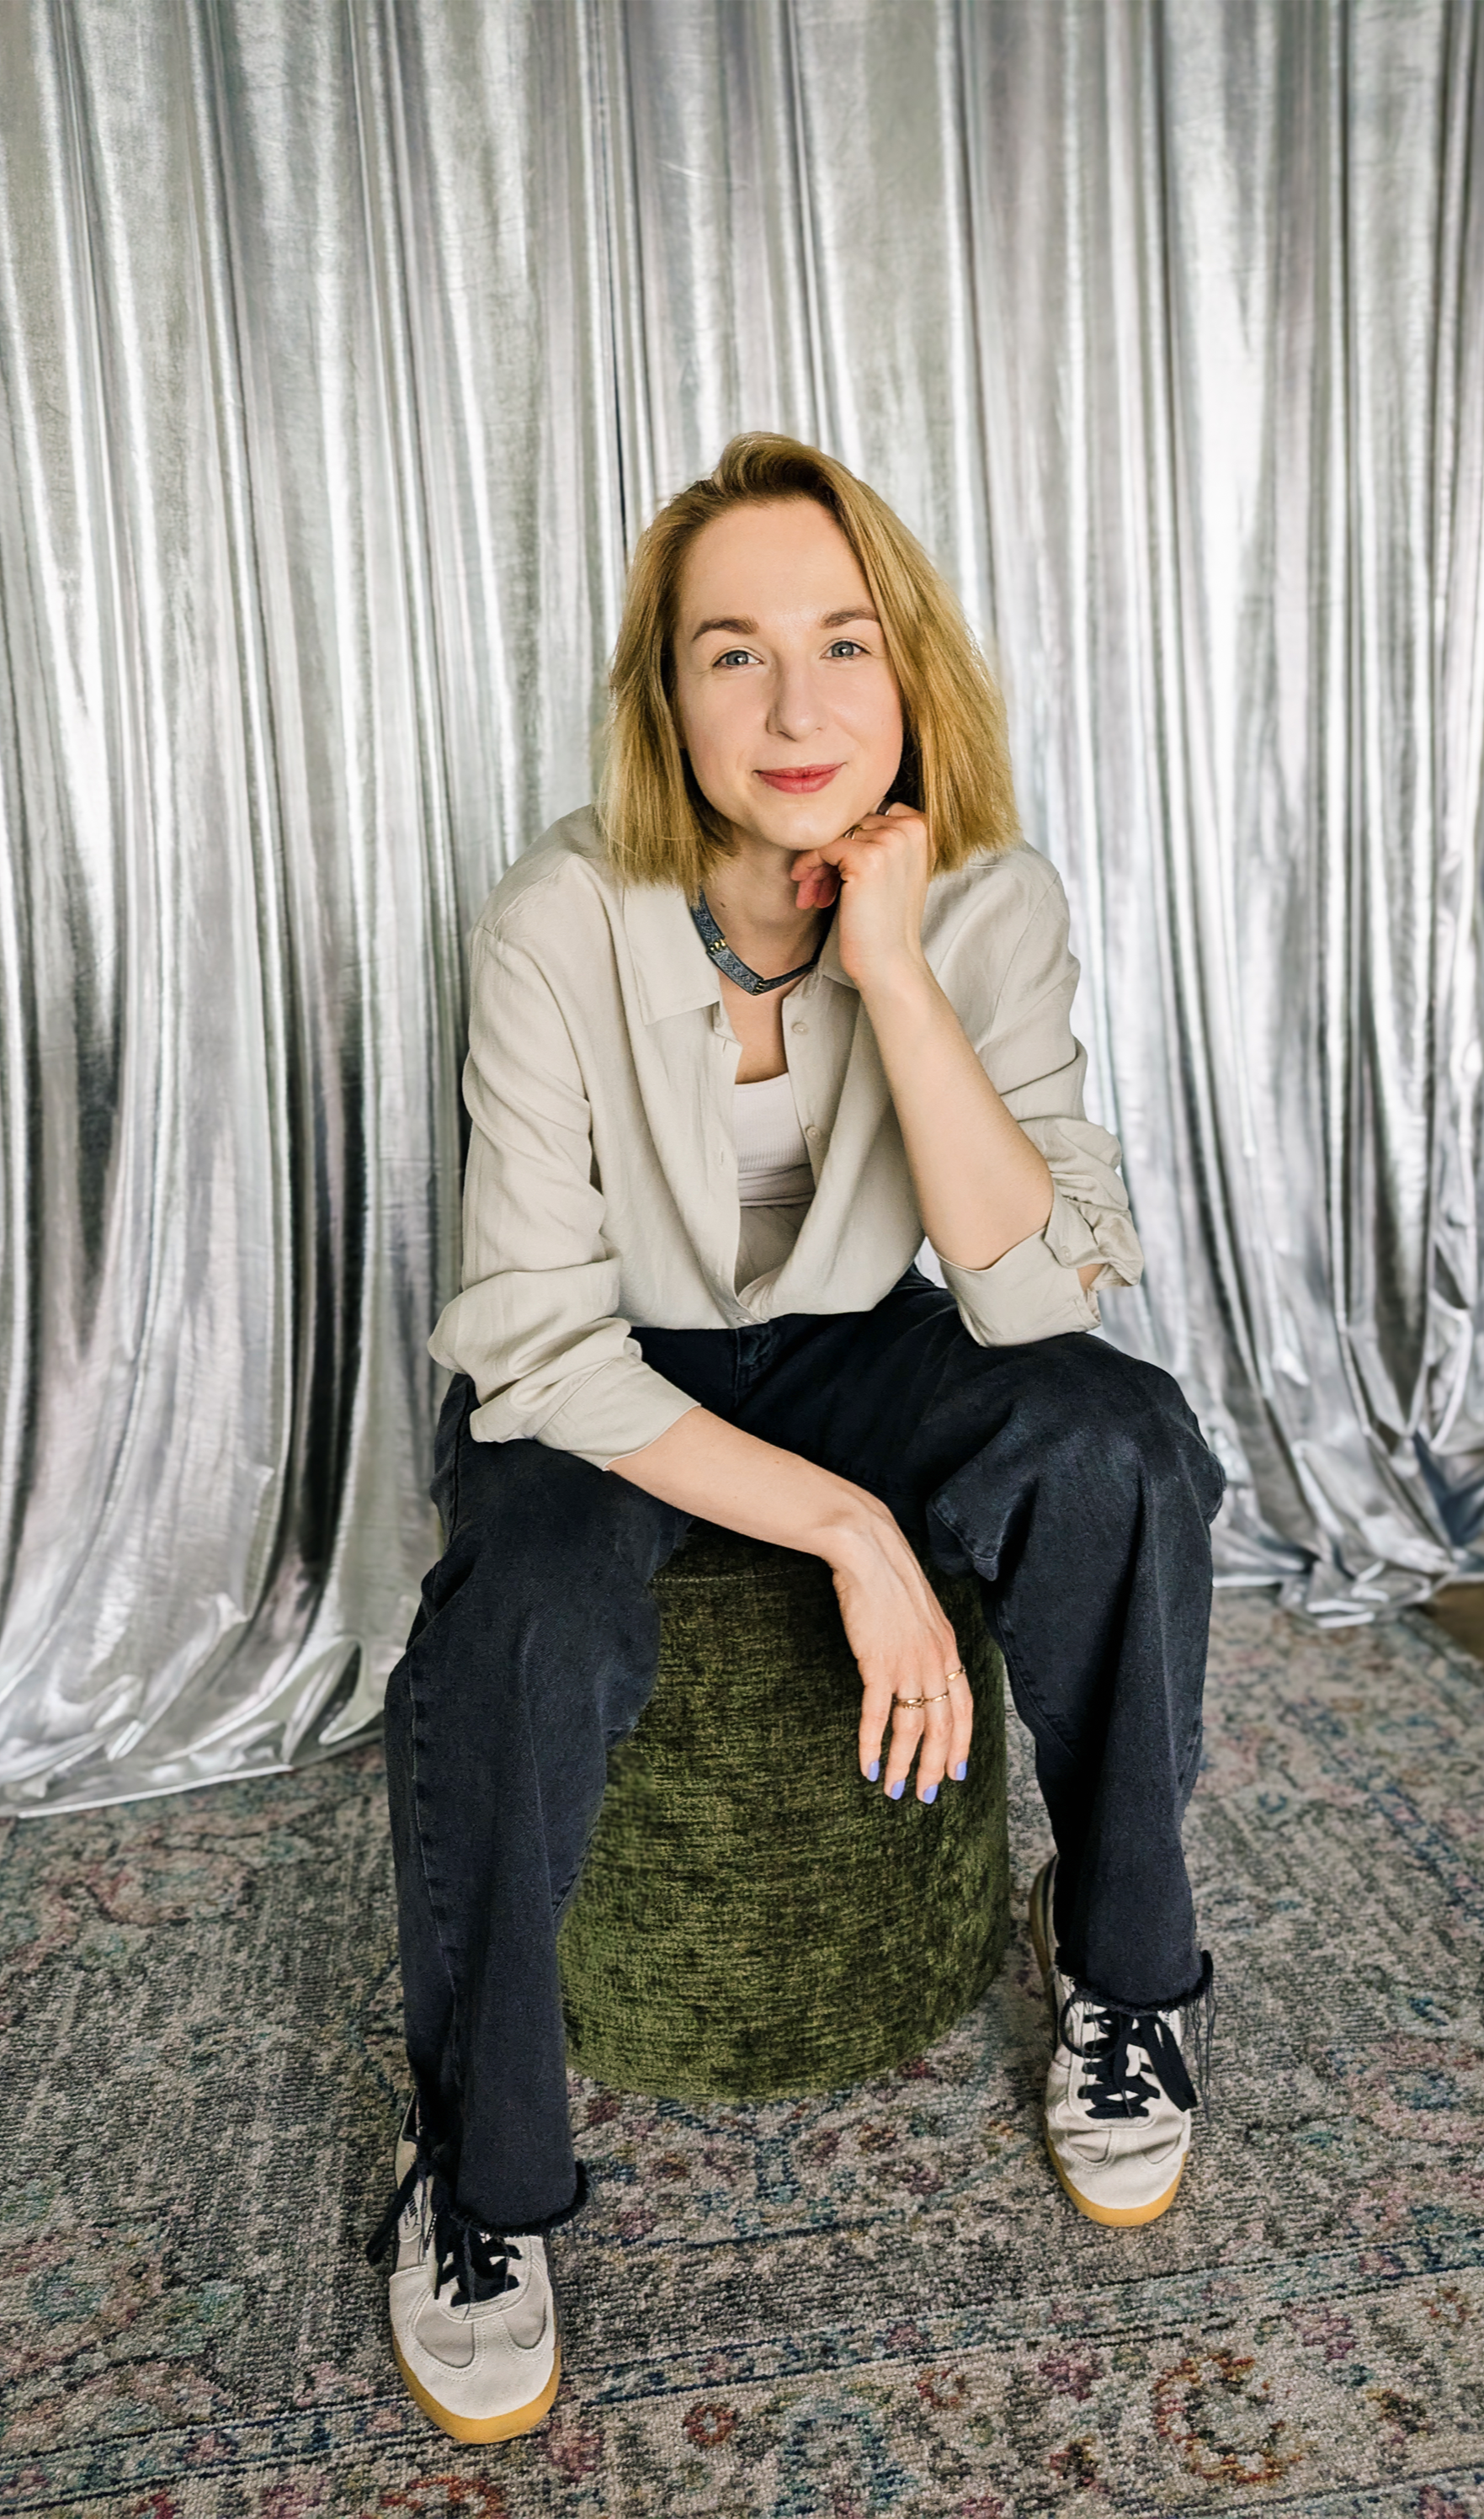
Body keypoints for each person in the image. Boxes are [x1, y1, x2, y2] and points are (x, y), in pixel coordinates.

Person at [368, 434, 1227, 2443]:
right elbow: (535, 1335)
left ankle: (1123, 1969)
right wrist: (851, 1529)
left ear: (908, 665)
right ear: (663, 697)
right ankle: (478, 2176)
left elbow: (1033, 1292)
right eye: (729, 652)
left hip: (855, 1338)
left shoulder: (987, 902)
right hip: (601, 1365)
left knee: (1116, 1441)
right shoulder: (557, 916)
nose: (792, 706)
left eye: (842, 642)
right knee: (523, 1621)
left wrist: (893, 966)